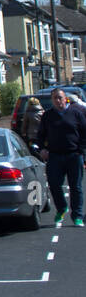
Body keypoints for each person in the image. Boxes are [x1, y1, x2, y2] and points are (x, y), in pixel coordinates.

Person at [38, 88, 86, 225]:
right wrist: (42, 149)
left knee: (76, 187)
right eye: (55, 98)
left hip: (74, 155)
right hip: (55, 156)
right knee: (54, 184)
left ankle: (77, 216)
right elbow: (41, 135)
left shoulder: (76, 114)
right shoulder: (48, 116)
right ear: (52, 100)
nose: (58, 100)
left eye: (60, 97)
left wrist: (81, 151)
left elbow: (84, 133)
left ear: (65, 99)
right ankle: (61, 208)